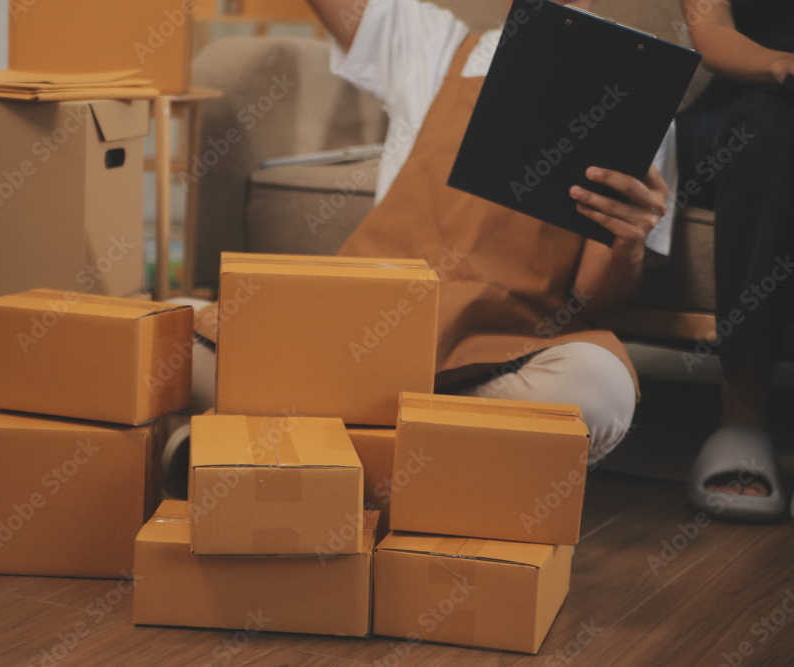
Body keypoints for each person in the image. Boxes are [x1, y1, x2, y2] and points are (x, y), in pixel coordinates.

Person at [169, 0, 677, 491]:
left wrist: (628, 245)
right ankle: (421, 468)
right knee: (166, 328)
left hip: (491, 354)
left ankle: (291, 446)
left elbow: (595, 298)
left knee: (595, 388)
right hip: (357, 329)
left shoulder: (637, 96)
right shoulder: (431, 45)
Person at [677, 0, 794, 522]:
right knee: (775, 122)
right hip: (747, 109)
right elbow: (713, 31)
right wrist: (782, 65)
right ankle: (743, 405)